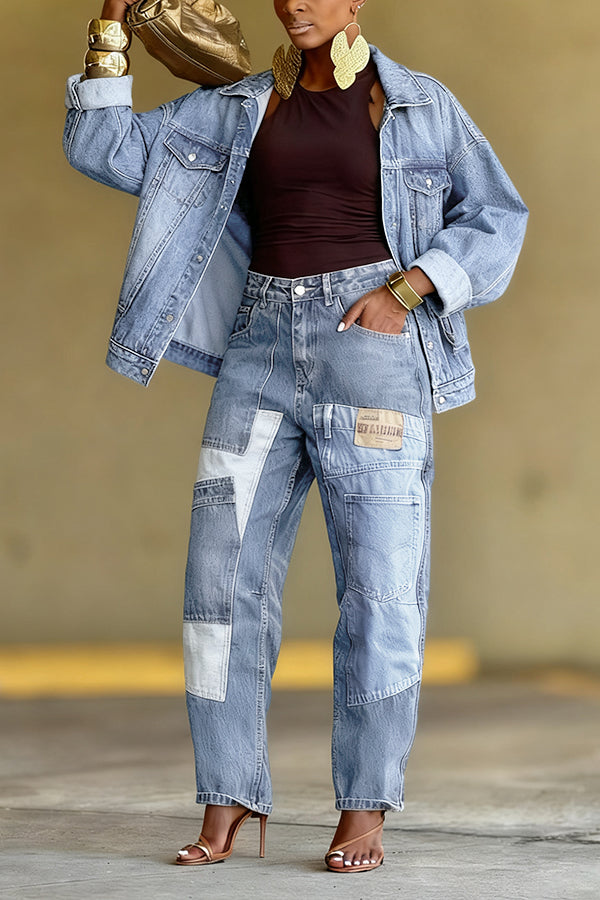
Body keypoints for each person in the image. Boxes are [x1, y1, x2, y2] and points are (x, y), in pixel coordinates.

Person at [64, 0, 528, 873]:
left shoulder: (420, 104)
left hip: (372, 357)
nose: (298, 3)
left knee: (380, 588)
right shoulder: (238, 105)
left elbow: (499, 214)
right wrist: (110, 30)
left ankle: (365, 807)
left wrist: (410, 289)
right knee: (220, 580)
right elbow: (105, 148)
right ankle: (228, 791)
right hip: (259, 351)